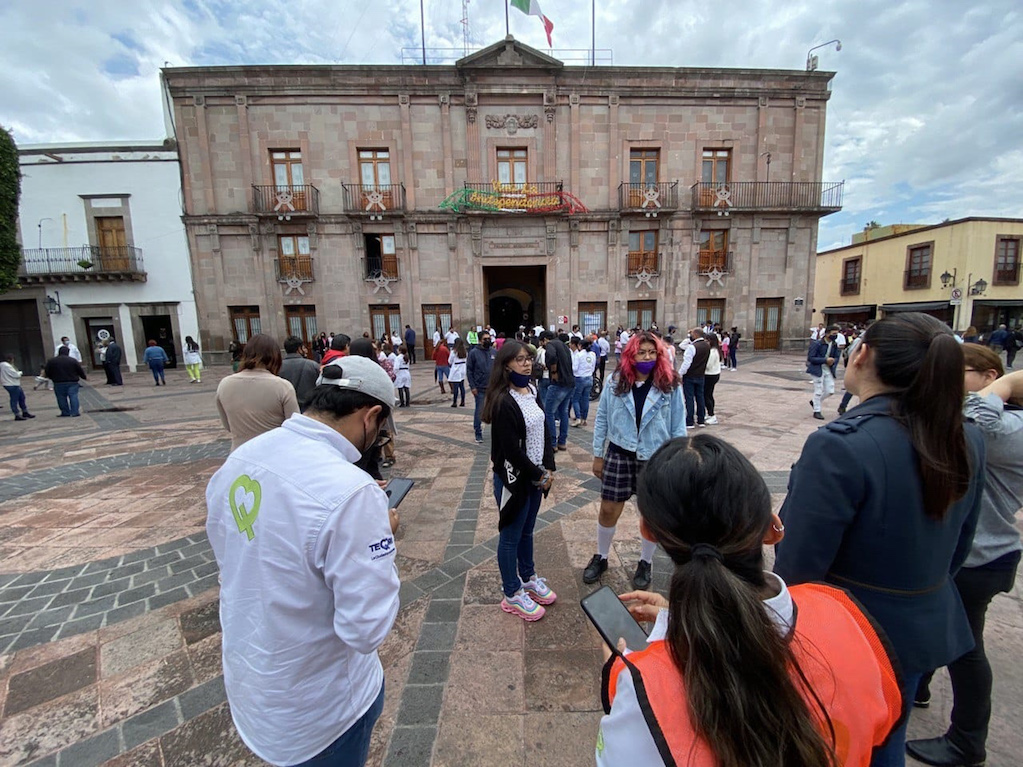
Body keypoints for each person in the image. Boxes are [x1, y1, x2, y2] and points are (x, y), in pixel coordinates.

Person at [597, 434, 903, 767]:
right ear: (772, 528)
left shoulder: (640, 688)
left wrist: (618, 672)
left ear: (647, 531)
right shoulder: (846, 616)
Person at [774, 312, 987, 767]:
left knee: (832, 745)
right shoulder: (966, 435)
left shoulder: (840, 445)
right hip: (917, 629)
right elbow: (960, 545)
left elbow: (797, 568)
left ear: (863, 354)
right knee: (886, 738)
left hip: (846, 637)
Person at [206, 355, 400, 767]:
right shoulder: (352, 491)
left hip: (256, 688)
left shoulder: (241, 459)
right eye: (381, 431)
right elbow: (366, 628)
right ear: (373, 416)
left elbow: (237, 552)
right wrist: (380, 534)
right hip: (323, 711)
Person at [907, 350, 1023, 767]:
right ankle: (919, 686)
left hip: (981, 556)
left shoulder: (1008, 426)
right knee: (939, 622)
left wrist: (1006, 384)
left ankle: (967, 739)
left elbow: (978, 424)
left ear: (989, 377)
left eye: (960, 374)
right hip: (972, 550)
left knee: (966, 649)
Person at [586, 332, 686, 589]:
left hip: (655, 458)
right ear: (631, 354)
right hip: (620, 453)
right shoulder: (616, 381)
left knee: (650, 515)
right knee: (608, 508)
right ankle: (602, 555)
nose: (647, 357)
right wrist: (598, 454)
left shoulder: (670, 384)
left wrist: (677, 460)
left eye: (652, 352)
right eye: (641, 352)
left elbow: (678, 425)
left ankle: (645, 562)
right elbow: (602, 419)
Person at [481, 340, 558, 621]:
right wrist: (538, 474)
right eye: (519, 359)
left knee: (527, 531)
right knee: (511, 535)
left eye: (528, 358)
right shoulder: (503, 401)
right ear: (505, 365)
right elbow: (511, 451)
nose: (526, 363)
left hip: (535, 475)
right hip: (514, 479)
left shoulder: (532, 389)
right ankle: (512, 593)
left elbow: (544, 428)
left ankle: (527, 578)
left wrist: (548, 466)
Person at [216, 334, 300, 452]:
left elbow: (228, 426)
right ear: (275, 357)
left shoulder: (225, 384)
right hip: (274, 453)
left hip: (240, 453)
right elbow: (294, 427)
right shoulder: (282, 386)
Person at [541, 331, 575, 451]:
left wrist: (554, 372)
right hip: (569, 383)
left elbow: (552, 357)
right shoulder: (563, 345)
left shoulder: (551, 344)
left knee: (549, 412)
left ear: (545, 339)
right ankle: (562, 442)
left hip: (559, 383)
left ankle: (552, 443)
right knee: (563, 412)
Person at [467, 330, 496, 444]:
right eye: (485, 339)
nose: (488, 341)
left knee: (496, 411)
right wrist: (472, 386)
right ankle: (478, 433)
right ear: (480, 340)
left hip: (493, 388)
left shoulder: (494, 352)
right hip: (480, 387)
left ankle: (497, 433)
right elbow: (469, 370)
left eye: (489, 338)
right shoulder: (474, 353)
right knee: (479, 411)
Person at [806, 324, 840, 420]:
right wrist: (825, 360)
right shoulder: (817, 344)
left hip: (828, 369)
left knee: (830, 390)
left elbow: (837, 356)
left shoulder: (834, 344)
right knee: (818, 390)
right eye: (834, 333)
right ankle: (817, 410)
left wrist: (833, 361)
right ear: (827, 334)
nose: (835, 336)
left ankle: (815, 401)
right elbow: (811, 358)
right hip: (817, 369)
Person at [44, 346, 87, 417]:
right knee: (73, 396)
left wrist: (51, 377)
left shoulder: (52, 361)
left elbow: (47, 371)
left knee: (61, 398)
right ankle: (75, 412)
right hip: (72, 381)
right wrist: (84, 377)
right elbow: (79, 370)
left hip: (58, 382)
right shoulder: (72, 360)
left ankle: (65, 412)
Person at [678, 328, 709, 428]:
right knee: (700, 397)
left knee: (689, 398)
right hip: (701, 375)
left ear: (695, 335)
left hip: (690, 376)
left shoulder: (692, 347)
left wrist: (680, 374)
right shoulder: (706, 345)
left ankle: (690, 421)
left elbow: (687, 363)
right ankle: (701, 419)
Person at [280, 335, 320, 411]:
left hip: (286, 409)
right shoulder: (313, 365)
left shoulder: (278, 367)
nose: (306, 351)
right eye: (304, 348)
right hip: (309, 408)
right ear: (299, 349)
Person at [570, 337, 596, 428]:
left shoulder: (579, 355)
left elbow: (575, 368)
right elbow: (593, 367)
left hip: (580, 378)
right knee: (585, 399)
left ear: (580, 346)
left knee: (575, 399)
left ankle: (578, 417)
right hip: (589, 378)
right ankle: (584, 418)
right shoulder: (592, 354)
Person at [1, 355, 35, 421]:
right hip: (12, 384)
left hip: (11, 383)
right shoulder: (7, 366)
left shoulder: (3, 365)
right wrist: (20, 373)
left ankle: (24, 412)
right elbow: (15, 375)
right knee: (15, 399)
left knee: (21, 397)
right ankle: (17, 414)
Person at [702, 331, 722, 425]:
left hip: (710, 375)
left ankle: (712, 415)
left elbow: (708, 365)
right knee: (709, 394)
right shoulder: (715, 350)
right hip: (713, 374)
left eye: (707, 340)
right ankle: (710, 414)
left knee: (707, 395)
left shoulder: (712, 352)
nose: (705, 342)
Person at [448, 338, 467, 408]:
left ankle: (455, 402)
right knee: (462, 386)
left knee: (455, 387)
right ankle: (463, 401)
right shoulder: (464, 351)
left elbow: (450, 361)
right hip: (462, 368)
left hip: (456, 368)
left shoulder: (454, 351)